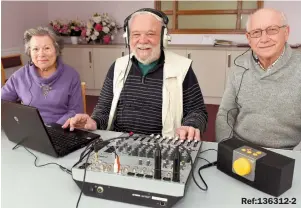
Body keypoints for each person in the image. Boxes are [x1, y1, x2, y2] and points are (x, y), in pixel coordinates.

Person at [63, 8, 208, 140]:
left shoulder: (181, 68)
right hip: (119, 143)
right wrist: (93, 122)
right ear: (128, 39)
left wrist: (192, 125)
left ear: (163, 38)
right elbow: (104, 109)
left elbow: (197, 111)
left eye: (150, 34)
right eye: (136, 34)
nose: (143, 40)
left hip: (164, 145)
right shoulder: (118, 66)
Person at [215, 8, 301, 150]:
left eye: (272, 30)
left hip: (286, 152)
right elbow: (225, 113)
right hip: (239, 147)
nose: (264, 39)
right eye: (256, 32)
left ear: (286, 32)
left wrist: (295, 157)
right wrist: (227, 147)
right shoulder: (239, 67)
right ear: (249, 39)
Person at [1, 26, 83, 125]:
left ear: (56, 50)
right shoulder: (20, 76)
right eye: (35, 49)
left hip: (62, 130)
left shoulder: (71, 75)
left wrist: (53, 129)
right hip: (30, 131)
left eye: (47, 48)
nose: (41, 54)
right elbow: (2, 101)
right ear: (29, 52)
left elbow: (75, 111)